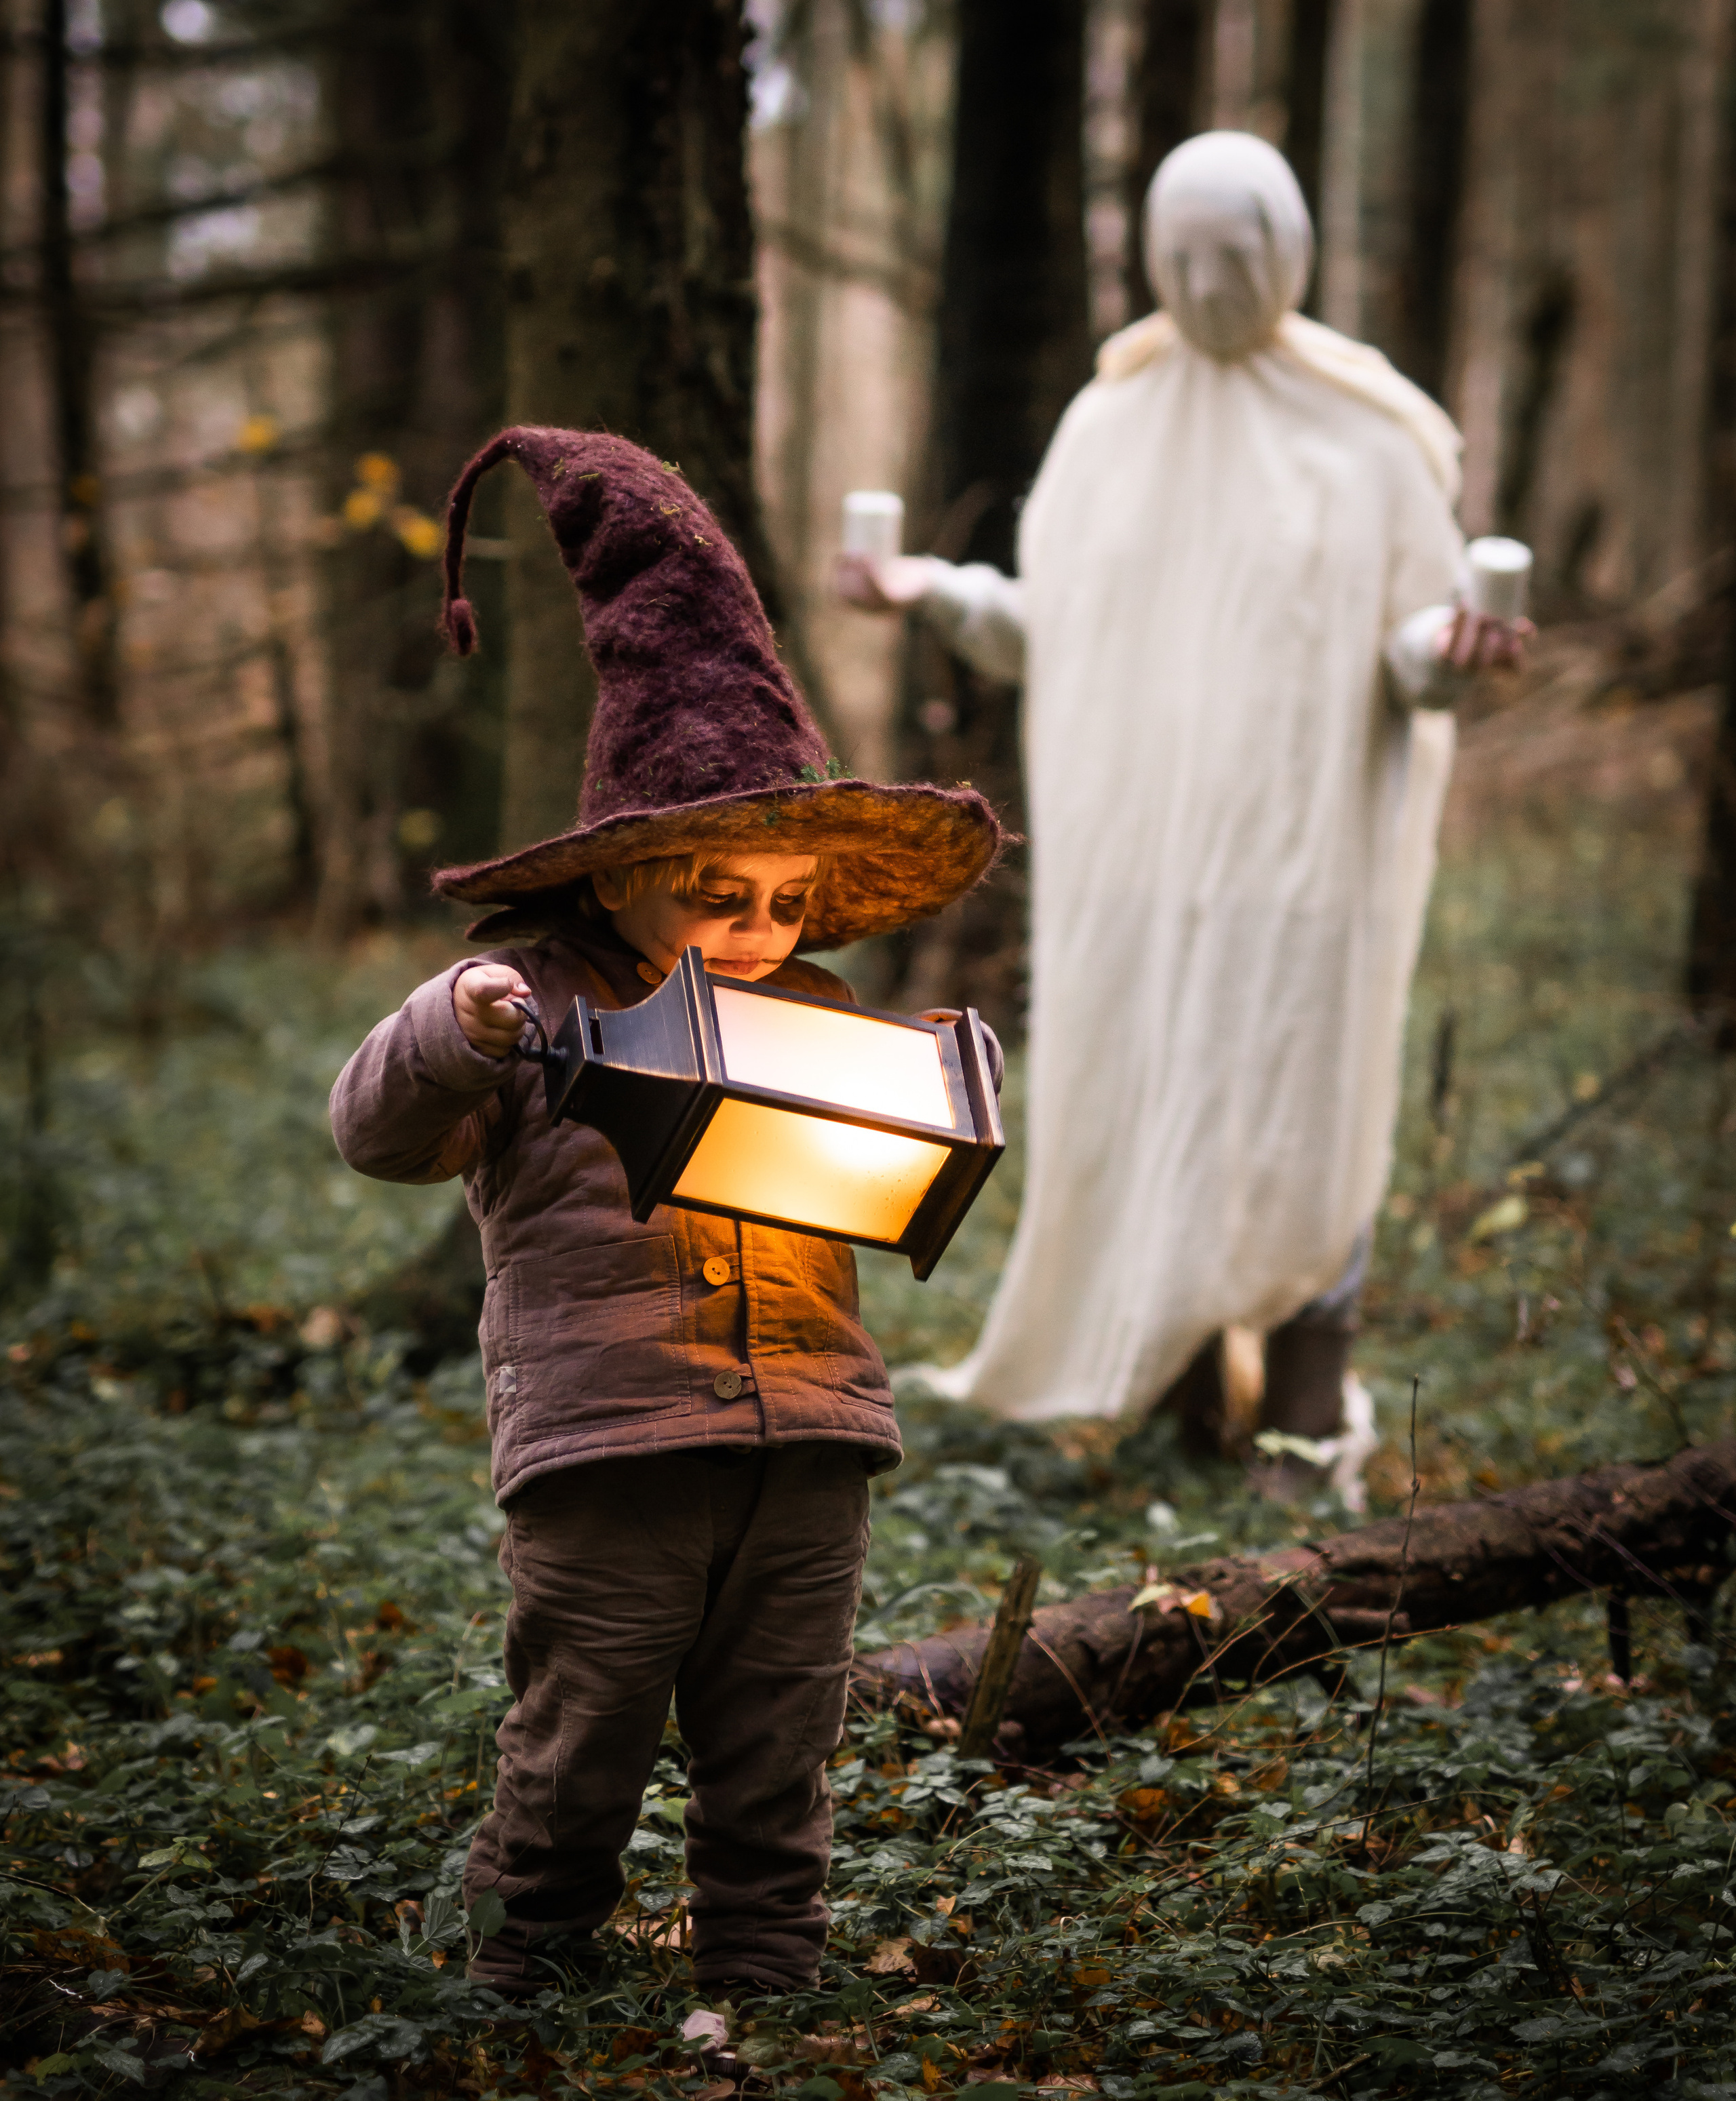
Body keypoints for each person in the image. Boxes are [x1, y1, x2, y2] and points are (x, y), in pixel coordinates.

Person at [331, 426, 1002, 2000]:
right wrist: (453, 1029)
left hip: (811, 1436)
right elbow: (377, 1131)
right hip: (610, 1447)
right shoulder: (530, 999)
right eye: (717, 894)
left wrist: (931, 1112)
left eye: (787, 900)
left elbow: (882, 1180)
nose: (760, 929)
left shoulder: (815, 1012)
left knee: (781, 1723)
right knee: (586, 1719)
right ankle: (525, 1952)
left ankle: (765, 1961)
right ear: (618, 873)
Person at [840, 132, 1529, 1491]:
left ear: (1288, 251)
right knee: (1152, 1083)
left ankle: (1300, 1401)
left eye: (1237, 249)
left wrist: (1454, 652)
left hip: (1301, 852)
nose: (1210, 280)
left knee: (1299, 1095)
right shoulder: (1110, 424)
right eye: (1186, 251)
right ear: (1154, 254)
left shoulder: (1367, 431)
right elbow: (1052, 629)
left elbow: (1407, 649)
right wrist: (929, 589)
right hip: (1137, 860)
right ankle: (1180, 1376)